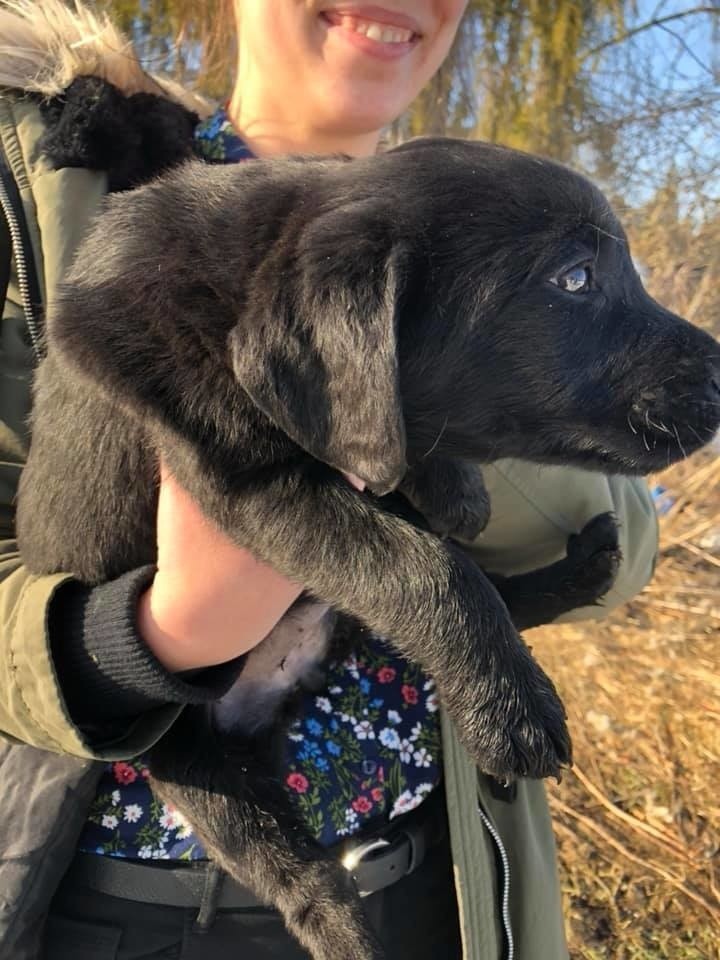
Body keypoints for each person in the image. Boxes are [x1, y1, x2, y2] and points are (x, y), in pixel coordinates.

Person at [0, 1, 659, 958]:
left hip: (432, 886)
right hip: (112, 907)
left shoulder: (496, 212)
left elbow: (621, 551)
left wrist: (437, 392)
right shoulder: (67, 183)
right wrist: (152, 638)